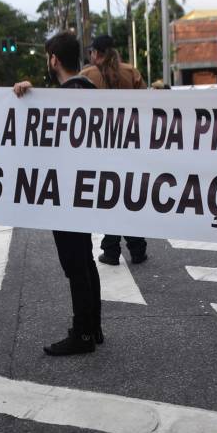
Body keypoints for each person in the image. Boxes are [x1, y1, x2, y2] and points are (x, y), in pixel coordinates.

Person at [13, 31, 103, 355]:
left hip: (66, 193)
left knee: (75, 264)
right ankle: (92, 327)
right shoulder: (89, 90)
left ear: (54, 59)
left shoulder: (64, 95)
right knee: (85, 259)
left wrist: (30, 97)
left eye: (47, 56)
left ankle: (82, 334)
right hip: (86, 189)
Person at [80, 34, 149, 266]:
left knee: (110, 199)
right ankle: (136, 248)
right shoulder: (131, 72)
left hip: (100, 149)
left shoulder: (88, 76)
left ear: (96, 54)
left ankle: (111, 250)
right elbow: (149, 106)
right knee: (125, 197)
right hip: (130, 146)